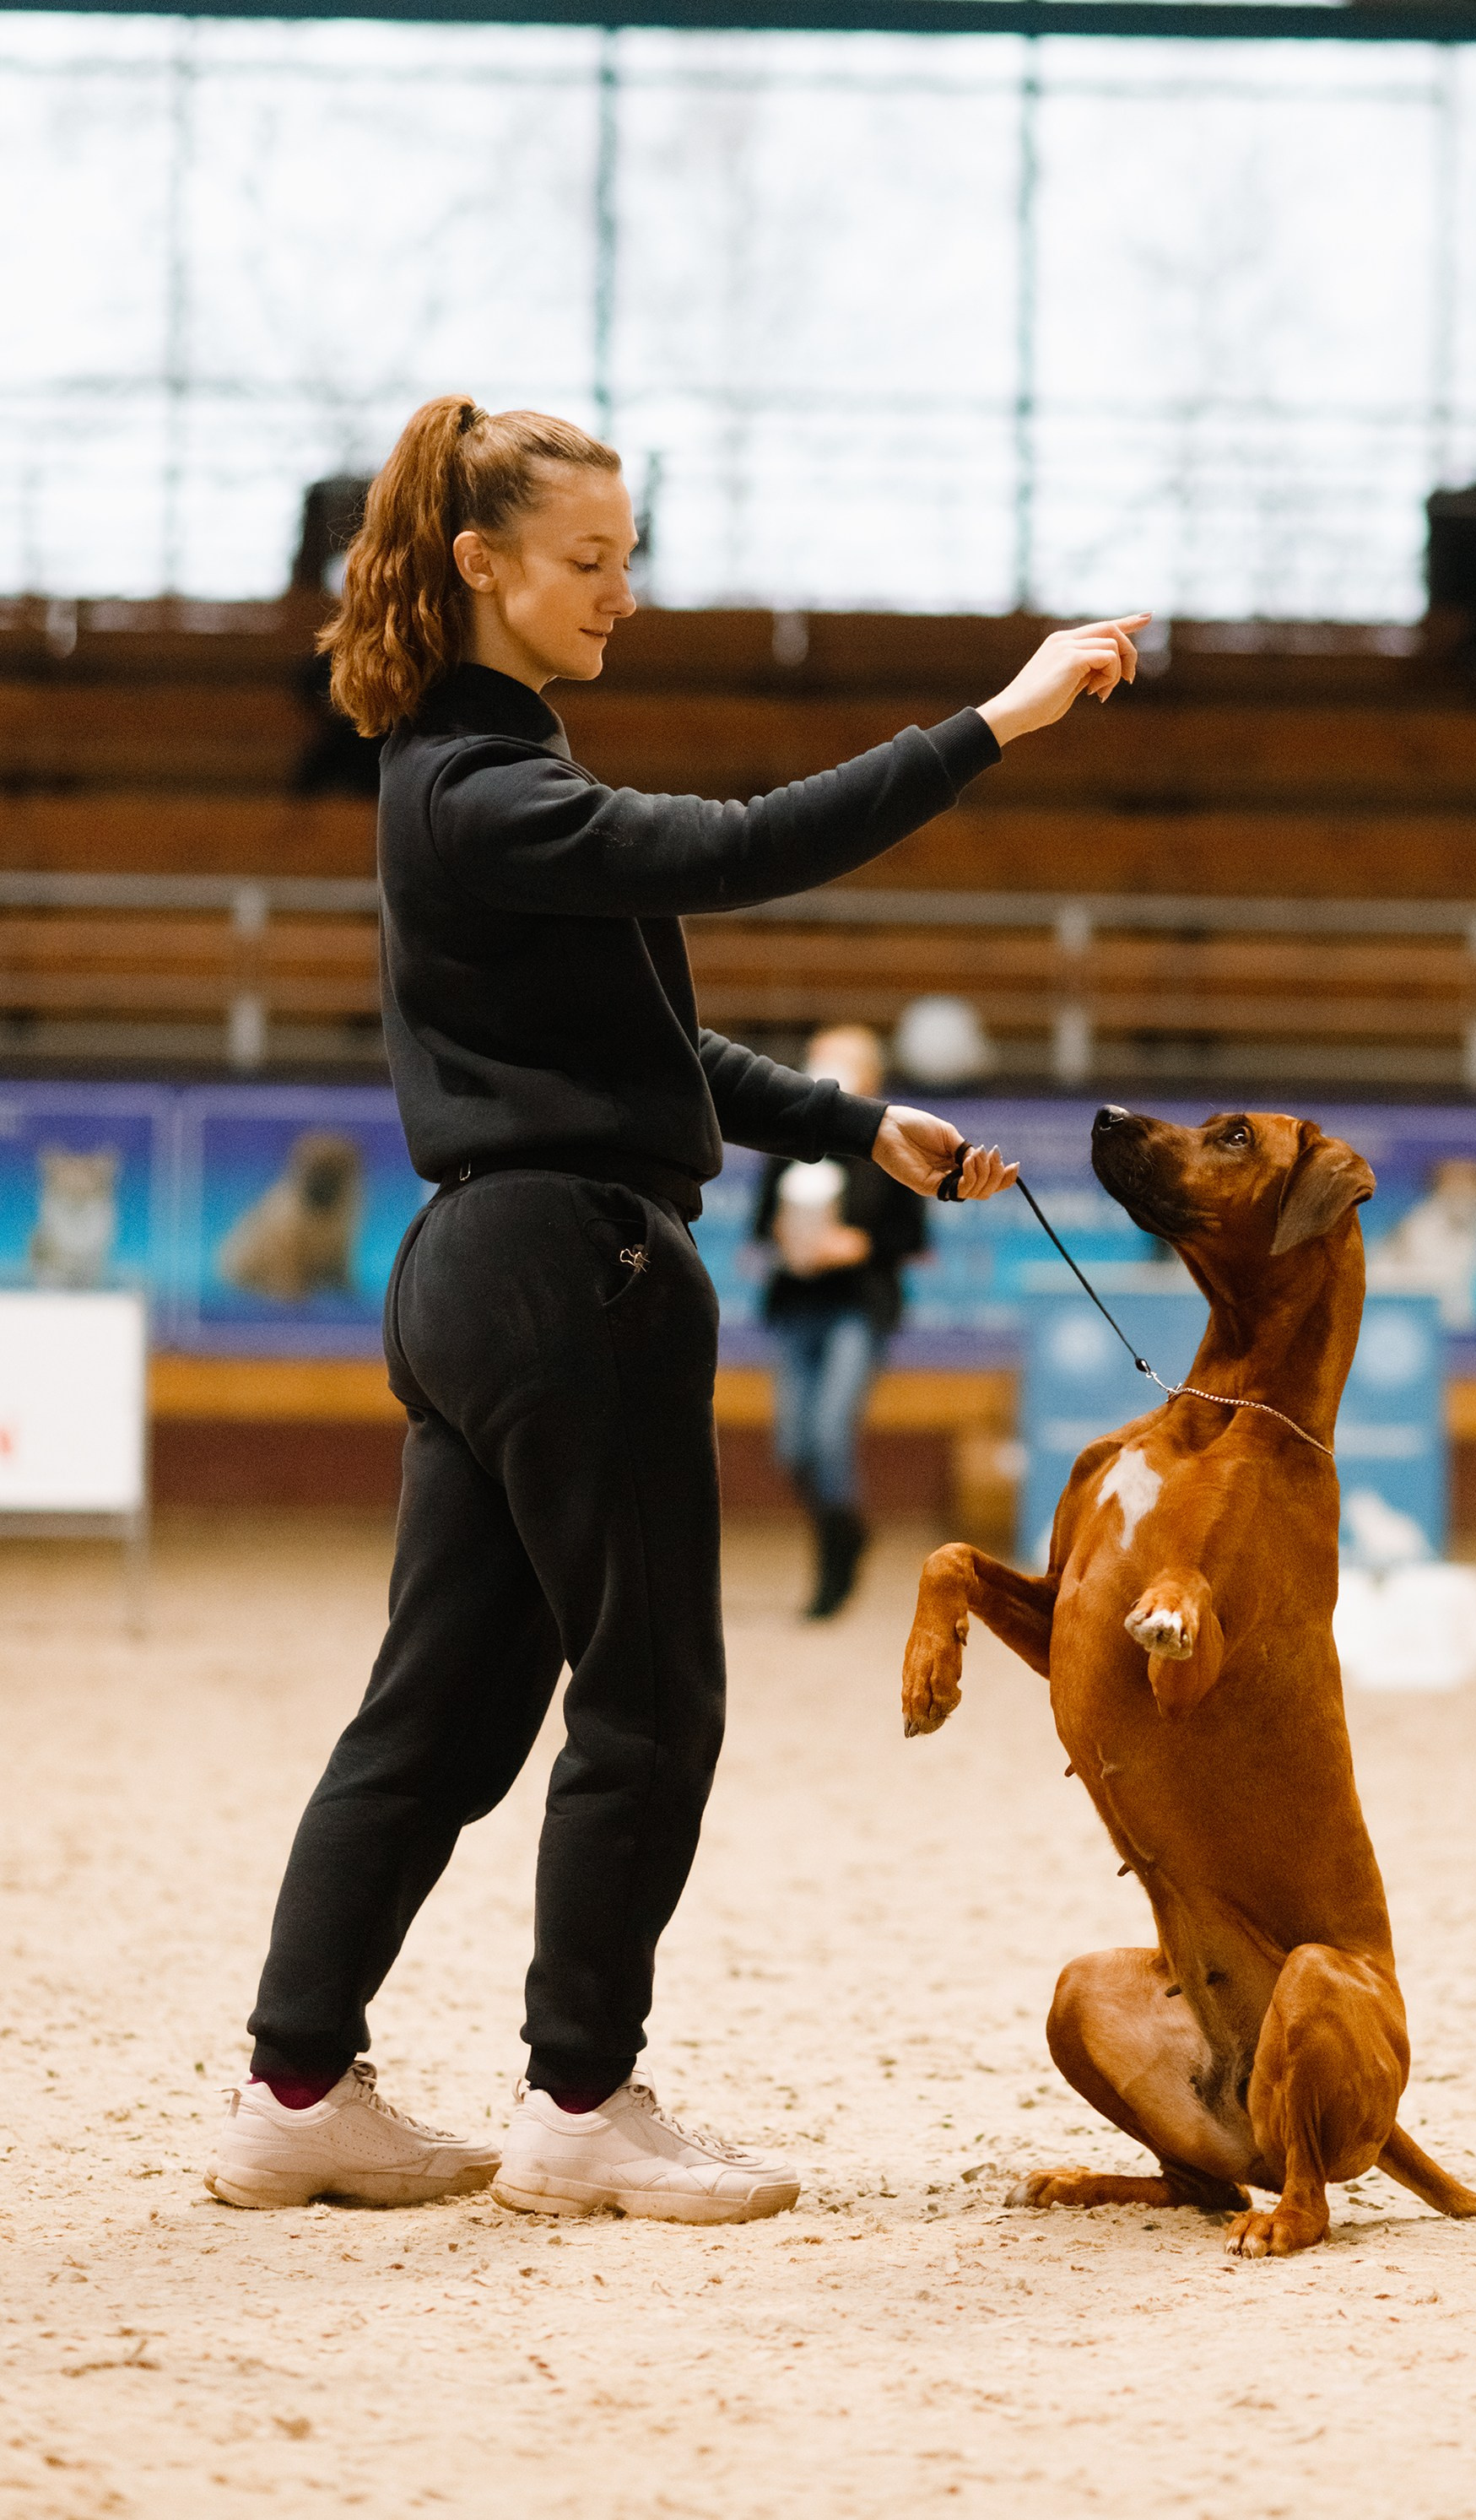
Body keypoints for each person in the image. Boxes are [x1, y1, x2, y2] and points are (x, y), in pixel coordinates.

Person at [204, 392, 1145, 2226]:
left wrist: (859, 1125)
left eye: (625, 559)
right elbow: (732, 848)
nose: (617, 594)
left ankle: (296, 2087)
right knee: (649, 1699)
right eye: (585, 562)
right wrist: (997, 721)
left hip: (480, 1270)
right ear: (478, 564)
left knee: (439, 1713)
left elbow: (656, 1048)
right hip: (577, 1274)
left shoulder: (466, 780)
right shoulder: (490, 788)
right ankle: (579, 2101)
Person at [751, 1024, 925, 1619]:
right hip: (796, 1305)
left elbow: (911, 1237)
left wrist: (859, 1246)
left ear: (873, 1075)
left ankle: (831, 1565)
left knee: (829, 1434)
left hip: (857, 1306)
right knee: (792, 1447)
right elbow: (760, 1227)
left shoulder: (895, 1146)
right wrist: (785, 1239)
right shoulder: (790, 1139)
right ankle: (846, 1531)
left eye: (842, 1060)